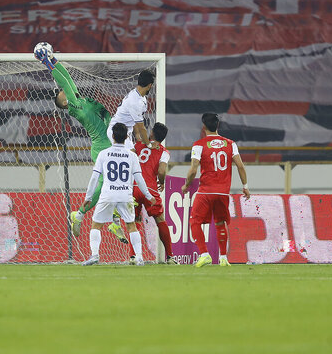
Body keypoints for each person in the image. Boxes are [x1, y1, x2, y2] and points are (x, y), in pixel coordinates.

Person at [34, 47, 127, 243]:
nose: (62, 91)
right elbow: (64, 83)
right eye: (62, 94)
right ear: (65, 102)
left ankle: (115, 221)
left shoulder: (79, 99)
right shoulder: (75, 107)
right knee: (104, 186)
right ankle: (81, 214)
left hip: (110, 142)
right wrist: (48, 63)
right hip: (101, 147)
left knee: (119, 182)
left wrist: (55, 60)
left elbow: (67, 78)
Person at [181, 113, 251, 267]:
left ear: (203, 126)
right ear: (218, 125)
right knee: (220, 223)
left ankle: (204, 254)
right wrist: (245, 186)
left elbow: (193, 169)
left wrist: (187, 185)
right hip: (223, 192)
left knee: (195, 221)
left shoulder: (199, 145)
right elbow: (240, 166)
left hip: (206, 191)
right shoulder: (230, 143)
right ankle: (224, 258)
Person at [82, 123, 157, 266]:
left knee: (96, 225)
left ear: (113, 136)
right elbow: (139, 179)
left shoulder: (103, 154)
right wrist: (148, 196)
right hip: (125, 195)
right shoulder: (132, 155)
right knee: (131, 226)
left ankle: (95, 255)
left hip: (108, 194)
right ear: (127, 137)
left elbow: (94, 178)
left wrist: (88, 197)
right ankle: (139, 257)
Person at [128, 122, 176, 264]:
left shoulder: (139, 145)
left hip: (135, 187)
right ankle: (170, 257)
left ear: (152, 134)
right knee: (160, 220)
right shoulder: (164, 152)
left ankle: (133, 256)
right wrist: (161, 181)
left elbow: (137, 133)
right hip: (151, 189)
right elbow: (161, 171)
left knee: (134, 221)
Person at [107, 69, 157, 151]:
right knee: (130, 157)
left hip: (126, 131)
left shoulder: (139, 95)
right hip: (117, 132)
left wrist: (137, 134)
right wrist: (149, 145)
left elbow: (134, 118)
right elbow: (142, 128)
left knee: (131, 157)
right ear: (149, 85)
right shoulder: (135, 101)